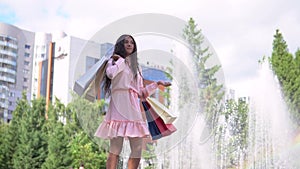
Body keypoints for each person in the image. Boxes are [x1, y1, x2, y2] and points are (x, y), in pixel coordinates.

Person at [94, 34, 171, 169]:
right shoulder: (113, 61)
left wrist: (157, 84)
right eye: (126, 42)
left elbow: (141, 93)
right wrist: (121, 61)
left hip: (133, 108)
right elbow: (111, 74)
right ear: (120, 45)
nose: (129, 44)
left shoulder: (137, 67)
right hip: (118, 106)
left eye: (132, 43)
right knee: (115, 150)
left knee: (137, 149)